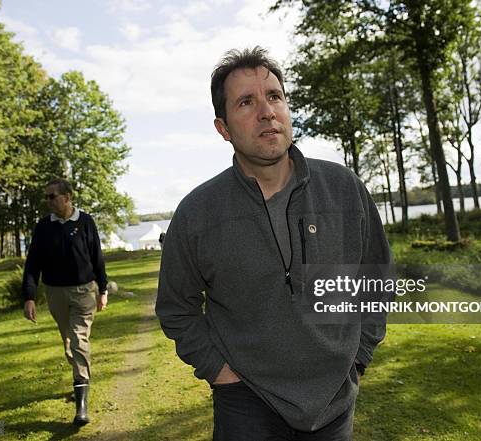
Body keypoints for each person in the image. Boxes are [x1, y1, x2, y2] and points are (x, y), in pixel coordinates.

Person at [155, 47, 392, 440]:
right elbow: (176, 307)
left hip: (334, 401)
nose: (267, 111)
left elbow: (377, 279)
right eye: (246, 102)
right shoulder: (198, 213)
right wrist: (219, 372)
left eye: (274, 96)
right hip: (245, 402)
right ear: (223, 128)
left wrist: (359, 358)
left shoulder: (343, 189)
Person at [22, 178, 108, 426]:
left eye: (52, 196)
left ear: (67, 197)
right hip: (55, 293)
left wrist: (103, 289)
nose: (48, 201)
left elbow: (97, 257)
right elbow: (32, 264)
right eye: (46, 197)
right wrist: (29, 296)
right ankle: (80, 376)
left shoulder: (85, 221)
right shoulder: (43, 227)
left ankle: (81, 405)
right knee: (69, 343)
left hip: (84, 292)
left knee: (79, 340)